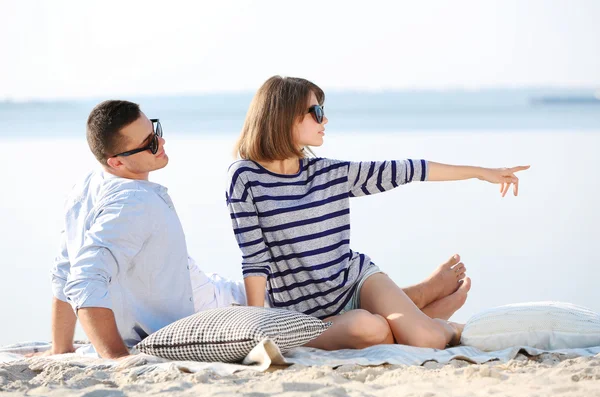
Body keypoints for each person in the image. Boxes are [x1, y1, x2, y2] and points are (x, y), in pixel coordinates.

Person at [33, 99, 466, 359]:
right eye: (149, 144)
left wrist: (62, 351)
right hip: (211, 320)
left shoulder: (88, 186)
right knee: (347, 322)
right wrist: (114, 359)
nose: (161, 143)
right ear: (117, 161)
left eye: (156, 131)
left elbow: (63, 272)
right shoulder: (133, 203)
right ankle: (418, 303)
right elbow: (84, 278)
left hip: (214, 293)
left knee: (306, 296)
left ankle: (412, 303)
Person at [226, 75, 530, 350]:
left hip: (358, 282)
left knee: (428, 340)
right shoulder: (245, 178)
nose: (325, 119)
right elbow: (255, 260)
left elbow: (409, 170)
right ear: (287, 117)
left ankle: (439, 324)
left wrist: (482, 173)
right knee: (370, 328)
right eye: (317, 111)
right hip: (304, 313)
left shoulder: (330, 173)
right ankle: (421, 310)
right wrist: (258, 324)